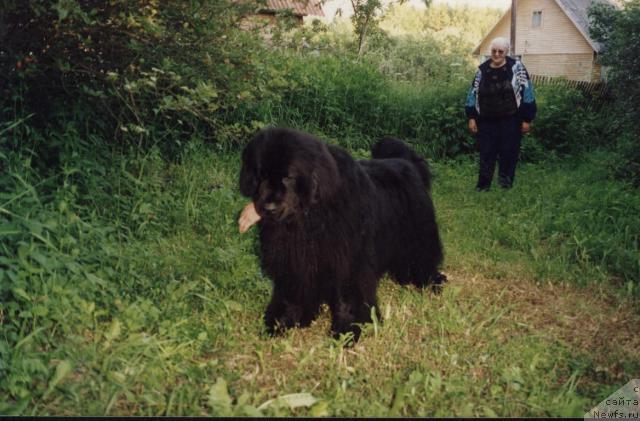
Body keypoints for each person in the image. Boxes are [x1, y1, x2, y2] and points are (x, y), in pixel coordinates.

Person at [465, 37, 537, 191]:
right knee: (486, 154)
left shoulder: (517, 68)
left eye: (500, 51)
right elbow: (472, 93)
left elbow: (527, 91)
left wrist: (527, 119)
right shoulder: (482, 70)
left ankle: (505, 186)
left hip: (511, 120)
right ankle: (483, 187)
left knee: (509, 153)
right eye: (493, 51)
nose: (496, 54)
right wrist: (471, 117)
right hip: (486, 121)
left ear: (506, 52)